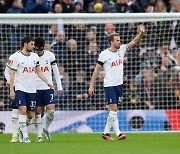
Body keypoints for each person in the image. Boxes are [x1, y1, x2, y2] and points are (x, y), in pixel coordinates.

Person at [88, 25, 145, 140]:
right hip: (109, 85)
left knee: (114, 110)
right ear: (111, 42)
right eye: (117, 40)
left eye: (120, 40)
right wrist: (91, 85)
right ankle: (119, 133)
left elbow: (134, 42)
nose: (120, 42)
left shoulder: (122, 49)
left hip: (120, 85)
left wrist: (141, 34)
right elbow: (97, 70)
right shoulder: (104, 54)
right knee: (113, 108)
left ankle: (106, 133)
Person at [8, 36, 53, 143]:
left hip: (32, 89)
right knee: (22, 110)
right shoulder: (16, 57)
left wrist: (47, 81)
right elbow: (12, 74)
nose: (34, 47)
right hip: (20, 88)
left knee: (30, 115)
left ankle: (21, 129)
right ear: (25, 44)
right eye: (32, 44)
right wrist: (11, 89)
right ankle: (25, 136)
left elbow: (39, 72)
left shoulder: (34, 57)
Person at [34, 37, 63, 142]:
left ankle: (45, 128)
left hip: (48, 87)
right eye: (37, 50)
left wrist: (59, 86)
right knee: (38, 112)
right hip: (35, 88)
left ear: (44, 47)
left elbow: (56, 72)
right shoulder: (31, 57)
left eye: (40, 50)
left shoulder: (50, 55)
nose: (39, 52)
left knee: (51, 111)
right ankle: (39, 135)